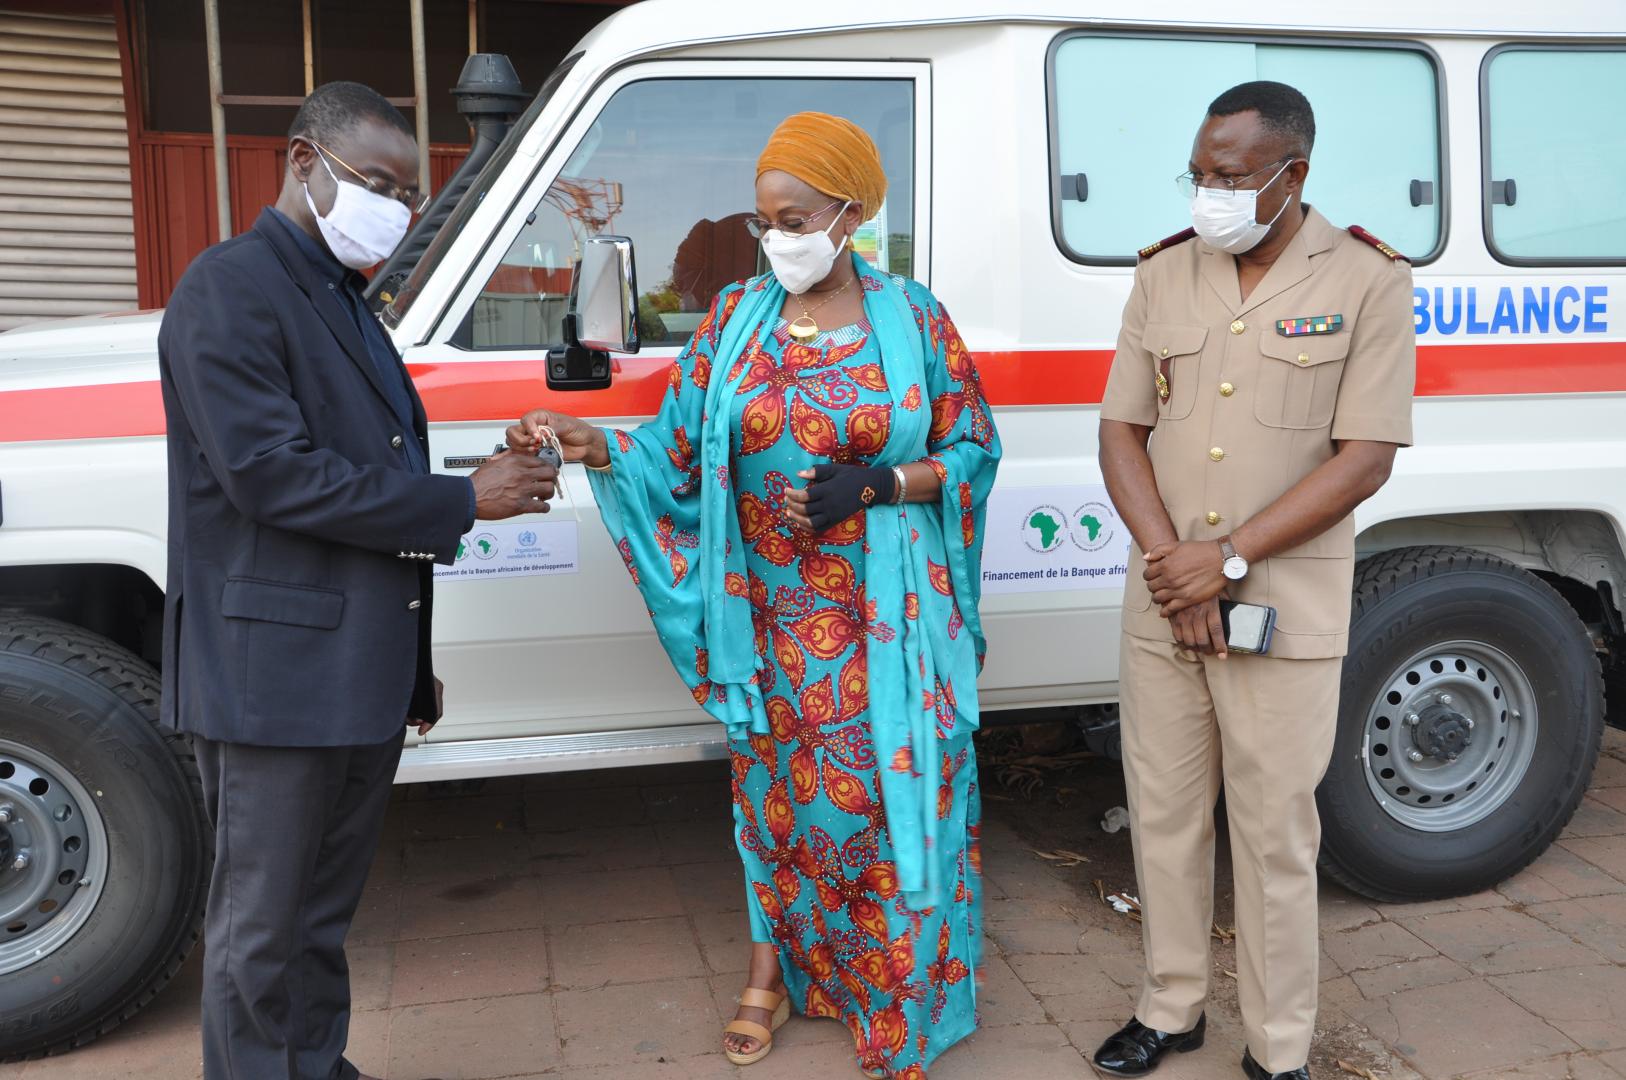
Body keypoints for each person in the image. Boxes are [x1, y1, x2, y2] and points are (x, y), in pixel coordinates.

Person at [506, 112, 1001, 1079]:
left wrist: (884, 484)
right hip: (766, 612)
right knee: (778, 796)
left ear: (847, 214)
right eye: (765, 218)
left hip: (886, 619)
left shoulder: (915, 318)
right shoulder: (738, 316)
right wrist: (591, 440)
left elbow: (972, 446)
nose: (776, 236)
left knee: (891, 793)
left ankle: (894, 986)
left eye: (794, 217)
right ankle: (771, 971)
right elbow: (676, 447)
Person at [158, 81, 555, 1080]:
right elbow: (270, 476)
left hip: (346, 677)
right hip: (272, 682)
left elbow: (365, 466)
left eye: (408, 193)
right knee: (260, 928)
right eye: (375, 181)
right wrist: (465, 501)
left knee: (318, 918)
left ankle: (313, 1067)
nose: (395, 207)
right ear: (302, 162)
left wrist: (400, 668)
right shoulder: (231, 288)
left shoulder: (343, 300)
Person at [1092, 82, 1415, 1080]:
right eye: (1198, 174)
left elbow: (1364, 458)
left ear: (1292, 175)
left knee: (1275, 835)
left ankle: (1279, 1051)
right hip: (1166, 606)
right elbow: (1121, 432)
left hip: (1281, 607)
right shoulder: (1164, 275)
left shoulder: (1366, 279)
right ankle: (1171, 1006)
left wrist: (1225, 562)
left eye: (1229, 177)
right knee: (1166, 816)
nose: (1209, 194)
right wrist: (1176, 572)